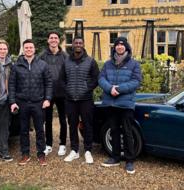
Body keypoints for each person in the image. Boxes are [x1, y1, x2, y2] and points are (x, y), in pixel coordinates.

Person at [99, 37, 142, 174]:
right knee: (114, 130)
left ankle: (129, 161)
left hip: (125, 103)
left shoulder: (133, 64)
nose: (119, 47)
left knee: (128, 132)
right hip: (110, 102)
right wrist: (110, 88)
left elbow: (136, 81)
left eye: (122, 45)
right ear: (114, 48)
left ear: (126, 48)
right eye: (117, 45)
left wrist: (119, 89)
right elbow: (101, 79)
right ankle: (115, 157)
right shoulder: (107, 64)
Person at [8, 39, 52, 166]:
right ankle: (25, 154)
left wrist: (47, 99)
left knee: (39, 130)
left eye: (30, 47)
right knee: (23, 130)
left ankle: (41, 154)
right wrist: (12, 102)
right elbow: (12, 85)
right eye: (26, 47)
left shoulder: (42, 64)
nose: (28, 49)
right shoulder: (17, 66)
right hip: (22, 102)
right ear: (23, 49)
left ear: (34, 49)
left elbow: (48, 83)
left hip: (38, 102)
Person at [61, 37, 99, 164]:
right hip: (70, 100)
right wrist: (68, 90)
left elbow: (95, 79)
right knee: (72, 125)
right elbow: (61, 79)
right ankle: (74, 150)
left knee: (88, 124)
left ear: (83, 45)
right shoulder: (66, 61)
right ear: (72, 45)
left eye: (80, 43)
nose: (78, 45)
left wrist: (86, 89)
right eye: (76, 43)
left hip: (86, 99)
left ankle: (88, 150)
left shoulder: (90, 61)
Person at [39, 31, 68, 156]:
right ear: (48, 40)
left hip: (62, 93)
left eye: (56, 38)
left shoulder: (65, 56)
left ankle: (62, 145)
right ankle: (49, 144)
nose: (53, 40)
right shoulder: (42, 56)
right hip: (47, 93)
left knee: (63, 120)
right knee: (48, 120)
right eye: (51, 38)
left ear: (58, 40)